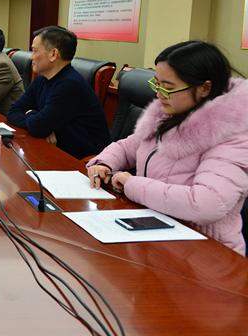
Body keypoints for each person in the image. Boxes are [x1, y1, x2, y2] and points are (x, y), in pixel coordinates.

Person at [87, 41, 248, 255]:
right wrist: (104, 163)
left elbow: (207, 204)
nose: (159, 94)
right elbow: (130, 146)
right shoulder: (169, 114)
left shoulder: (231, 135)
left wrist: (131, 184)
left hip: (206, 252)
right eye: (157, 84)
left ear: (205, 88)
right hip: (159, 232)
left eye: (168, 88)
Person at [7, 26, 109, 159]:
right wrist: (37, 118)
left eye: (35, 51)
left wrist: (33, 117)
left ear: (53, 54)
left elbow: (39, 126)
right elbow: (13, 111)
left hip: (84, 160)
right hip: (56, 149)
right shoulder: (42, 79)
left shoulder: (70, 84)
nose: (31, 57)